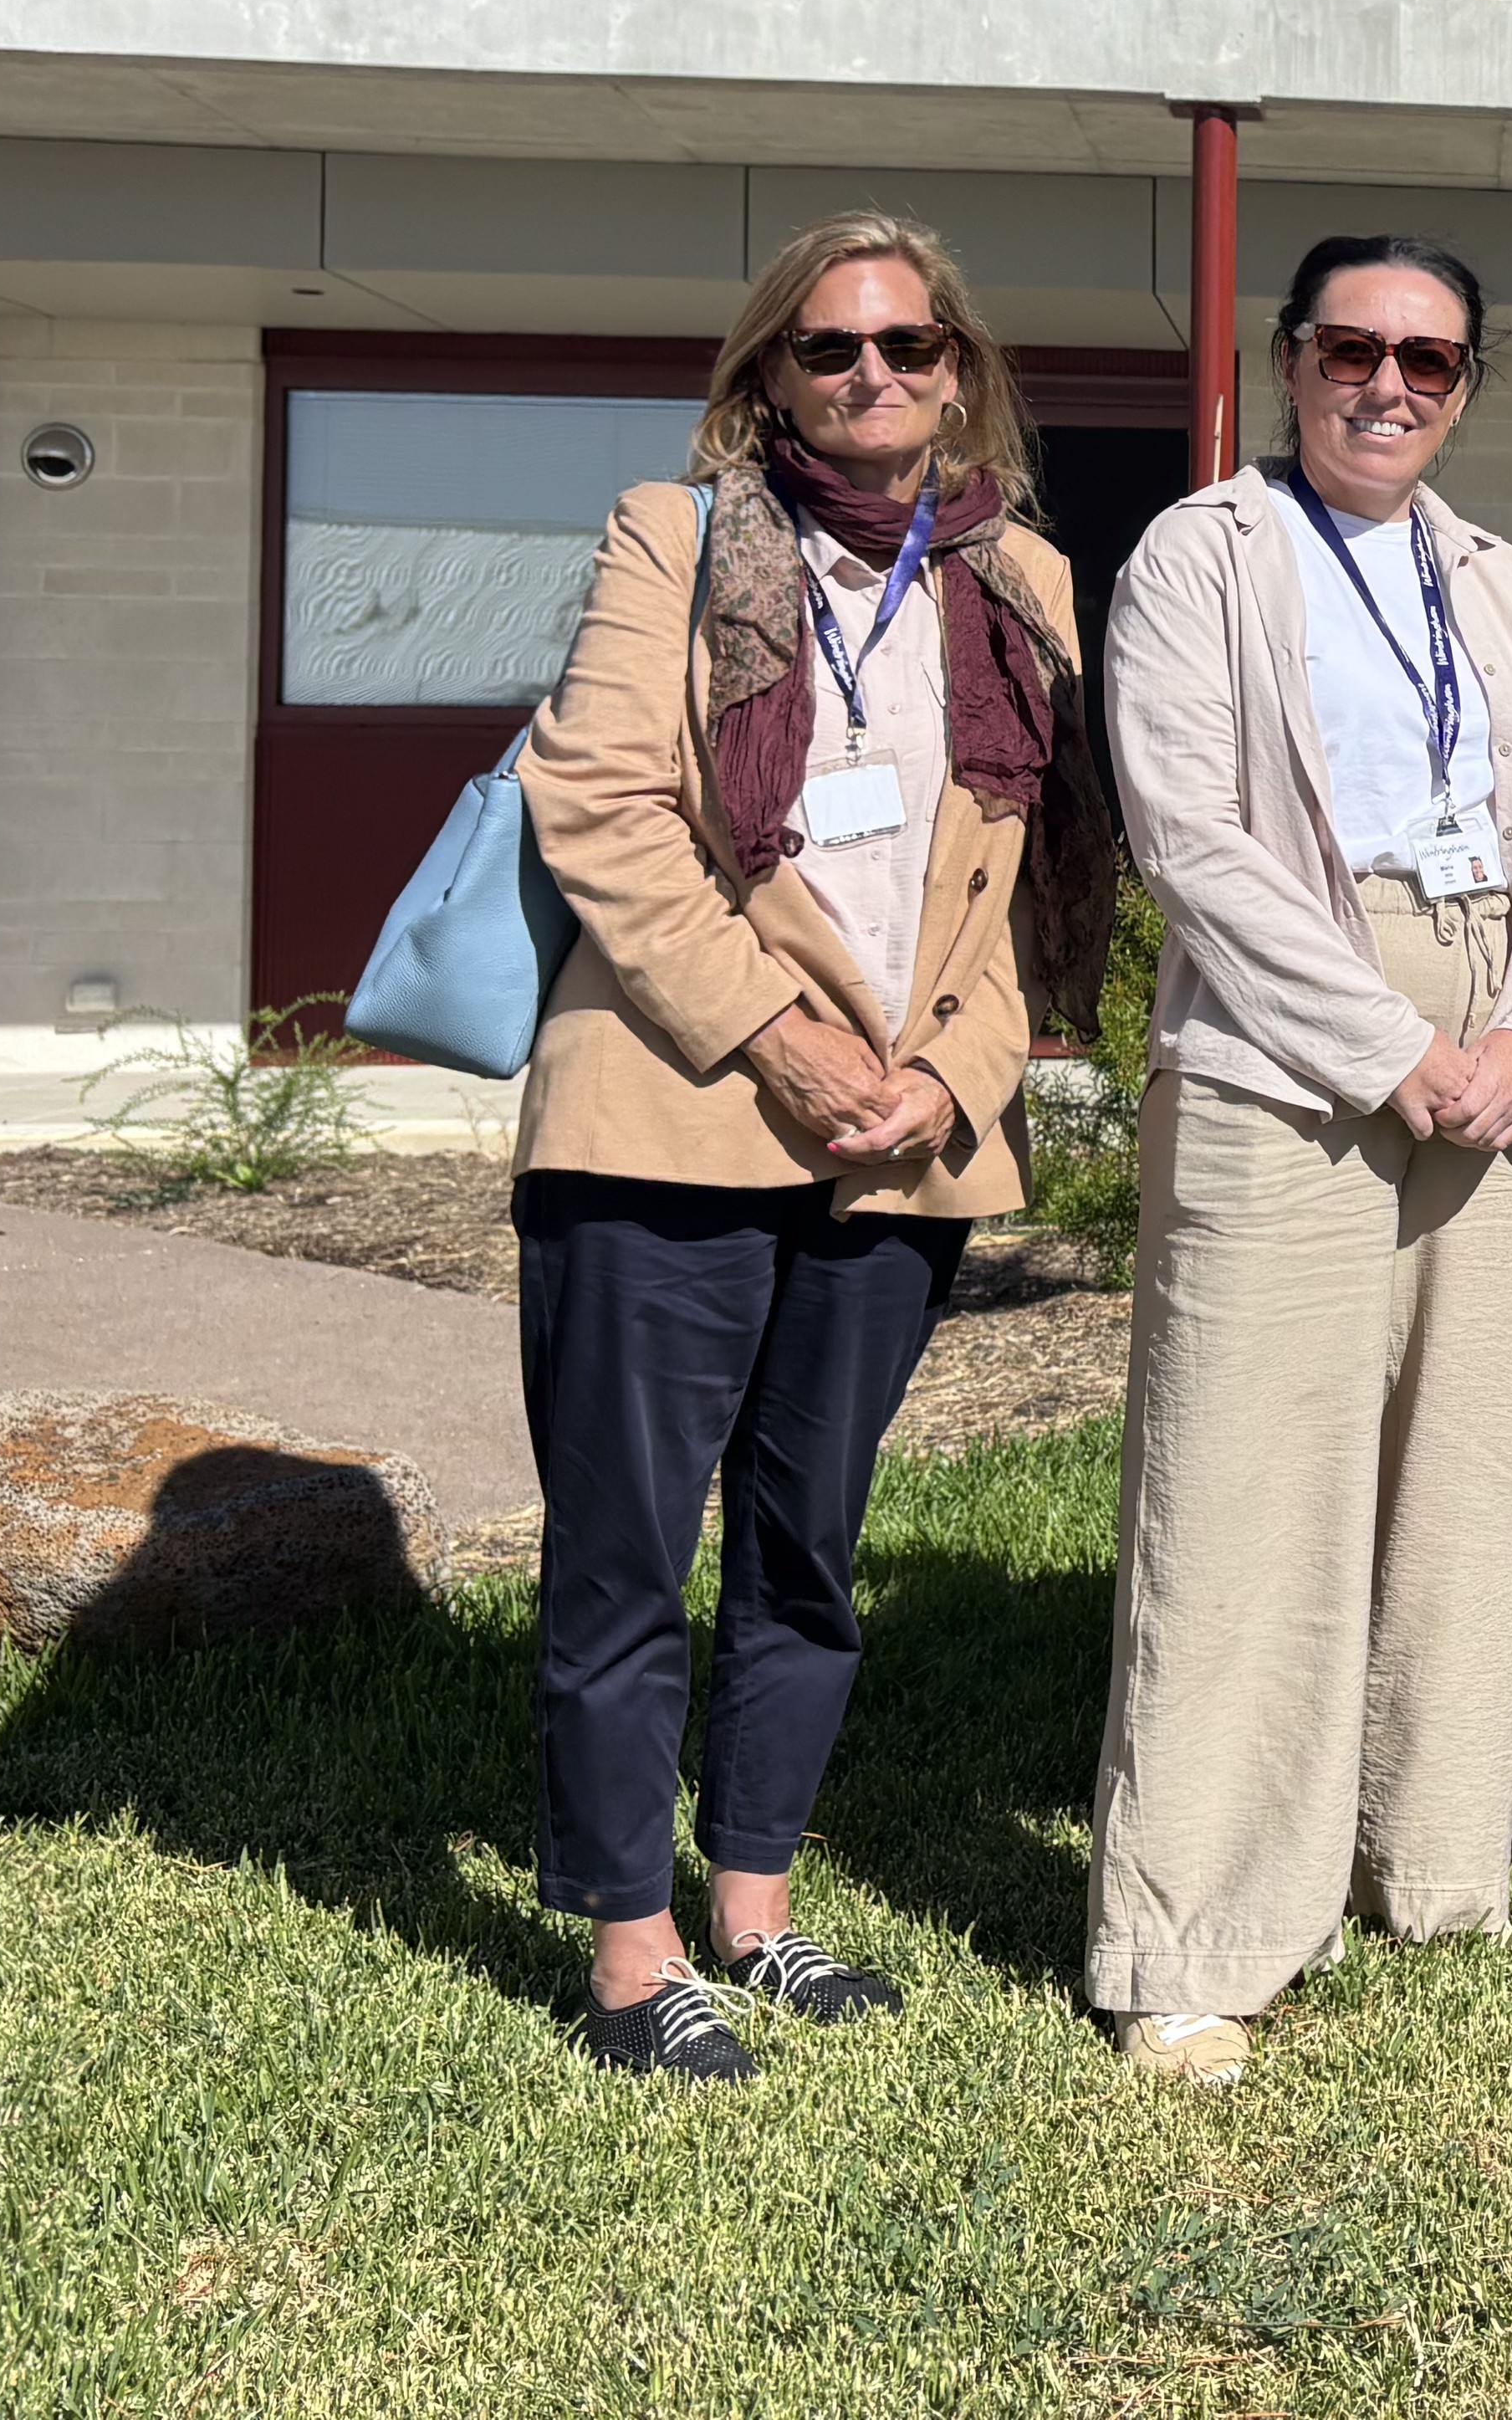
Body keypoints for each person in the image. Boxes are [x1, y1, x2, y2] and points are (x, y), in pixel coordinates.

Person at [512, 211, 1111, 2081]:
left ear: (960, 366)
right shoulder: (673, 539)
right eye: (832, 350)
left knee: (810, 1546)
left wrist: (952, 1081)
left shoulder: (1020, 578)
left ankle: (752, 1911)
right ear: (767, 371)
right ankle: (628, 1956)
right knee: (624, 1556)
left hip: (903, 1143)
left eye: (910, 348)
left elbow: (1040, 888)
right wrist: (777, 1038)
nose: (875, 379)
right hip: (673, 1121)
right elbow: (597, 805)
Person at [1083, 233, 1512, 2090]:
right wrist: (1394, 1053)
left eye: (1434, 361)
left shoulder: (1505, 583)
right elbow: (1194, 841)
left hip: (1494, 1025)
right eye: (1355, 349)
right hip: (1294, 1042)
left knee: (1472, 1473)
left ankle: (1428, 1857)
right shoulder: (1196, 558)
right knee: (1245, 1483)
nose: (1390, 386)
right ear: (1289, 355)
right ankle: (1201, 1930)